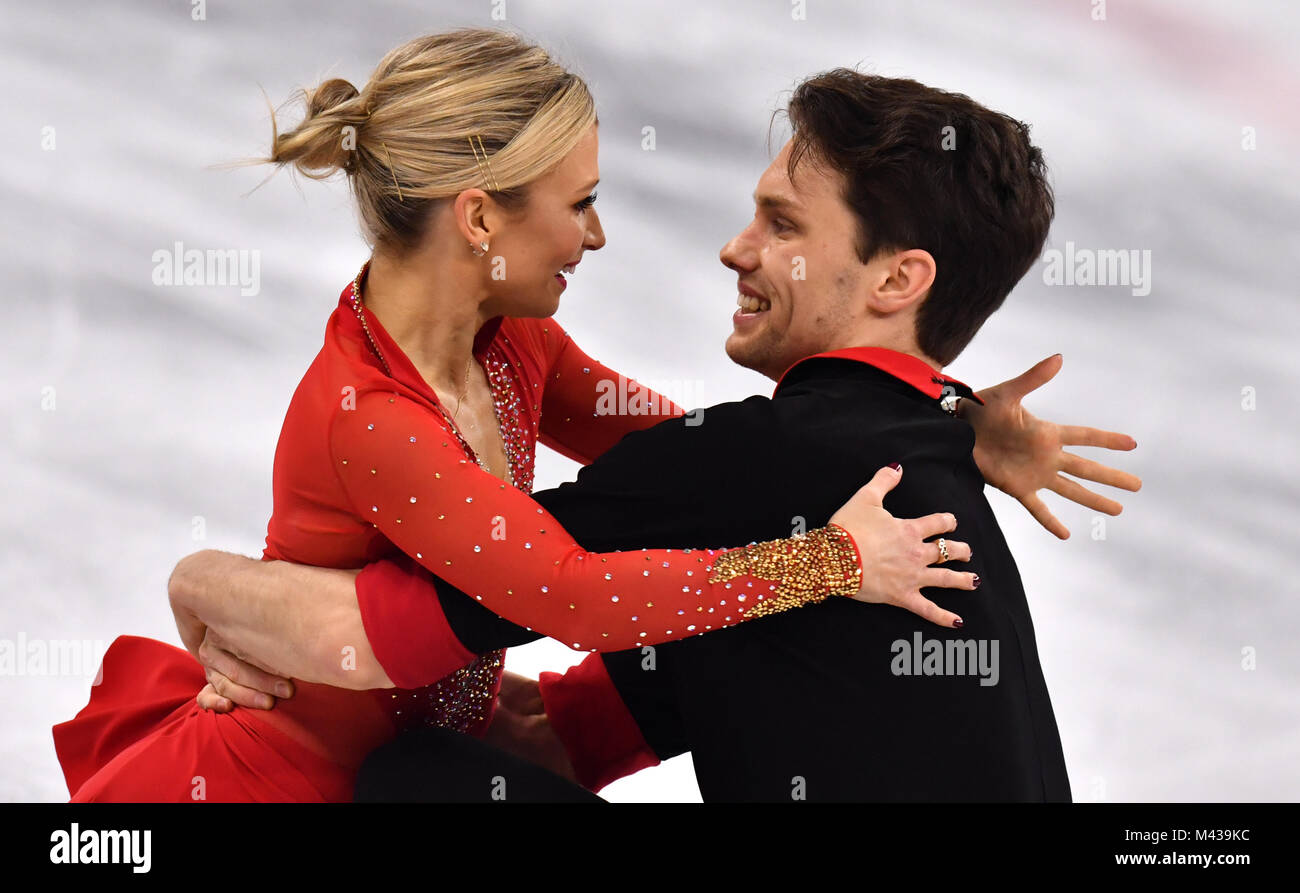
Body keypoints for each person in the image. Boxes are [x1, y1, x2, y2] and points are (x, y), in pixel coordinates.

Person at [51, 30, 982, 804]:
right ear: (479, 219)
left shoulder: (512, 342)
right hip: (274, 785)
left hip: (412, 777)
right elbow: (571, 594)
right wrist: (828, 563)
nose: (598, 235)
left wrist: (950, 425)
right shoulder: (371, 416)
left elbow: (697, 460)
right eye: (580, 204)